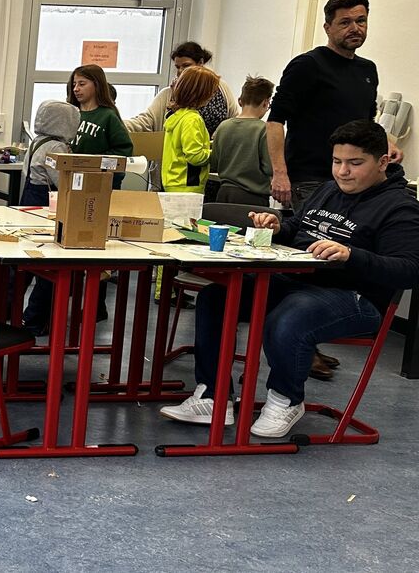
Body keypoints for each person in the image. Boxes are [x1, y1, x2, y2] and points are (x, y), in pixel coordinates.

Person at [161, 120, 419, 437]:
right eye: (337, 162)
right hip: (298, 282)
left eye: (355, 163)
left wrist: (352, 254)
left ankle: (286, 399)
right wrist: (277, 226)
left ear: (382, 162)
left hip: (357, 299)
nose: (343, 172)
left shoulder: (401, 207)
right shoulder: (327, 190)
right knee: (216, 297)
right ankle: (212, 396)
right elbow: (298, 227)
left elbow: (409, 269)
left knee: (292, 312)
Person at [267, 0, 403, 213]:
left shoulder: (367, 69)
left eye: (361, 21)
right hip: (310, 179)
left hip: (355, 180)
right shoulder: (307, 65)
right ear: (328, 28)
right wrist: (280, 173)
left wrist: (387, 143)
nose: (355, 28)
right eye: (345, 22)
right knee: (313, 241)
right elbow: (274, 121)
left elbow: (366, 123)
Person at [19, 100, 79, 336]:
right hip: (46, 207)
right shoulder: (56, 147)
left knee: (24, 264)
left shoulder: (37, 142)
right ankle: (35, 319)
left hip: (29, 202)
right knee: (49, 267)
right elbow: (63, 181)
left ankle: (9, 314)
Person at [124, 41, 238, 134]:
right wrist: (117, 125)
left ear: (200, 63)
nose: (180, 71)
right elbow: (146, 121)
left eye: (186, 66)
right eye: (177, 67)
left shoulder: (221, 88)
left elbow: (233, 120)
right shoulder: (168, 94)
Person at [210, 76, 275, 206]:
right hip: (252, 198)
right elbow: (269, 168)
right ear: (265, 103)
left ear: (240, 101)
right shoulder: (264, 129)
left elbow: (214, 163)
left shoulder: (223, 126)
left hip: (223, 193)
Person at [68, 64, 132, 189]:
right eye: (74, 84)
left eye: (82, 84)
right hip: (71, 179)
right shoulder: (69, 113)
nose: (76, 89)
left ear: (96, 85)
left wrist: (94, 163)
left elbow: (123, 150)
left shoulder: (108, 116)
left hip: (100, 183)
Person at [161, 66, 218, 193]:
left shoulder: (177, 116)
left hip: (173, 182)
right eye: (212, 91)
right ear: (201, 93)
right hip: (188, 186)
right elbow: (195, 156)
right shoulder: (192, 119)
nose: (213, 96)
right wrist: (217, 153)